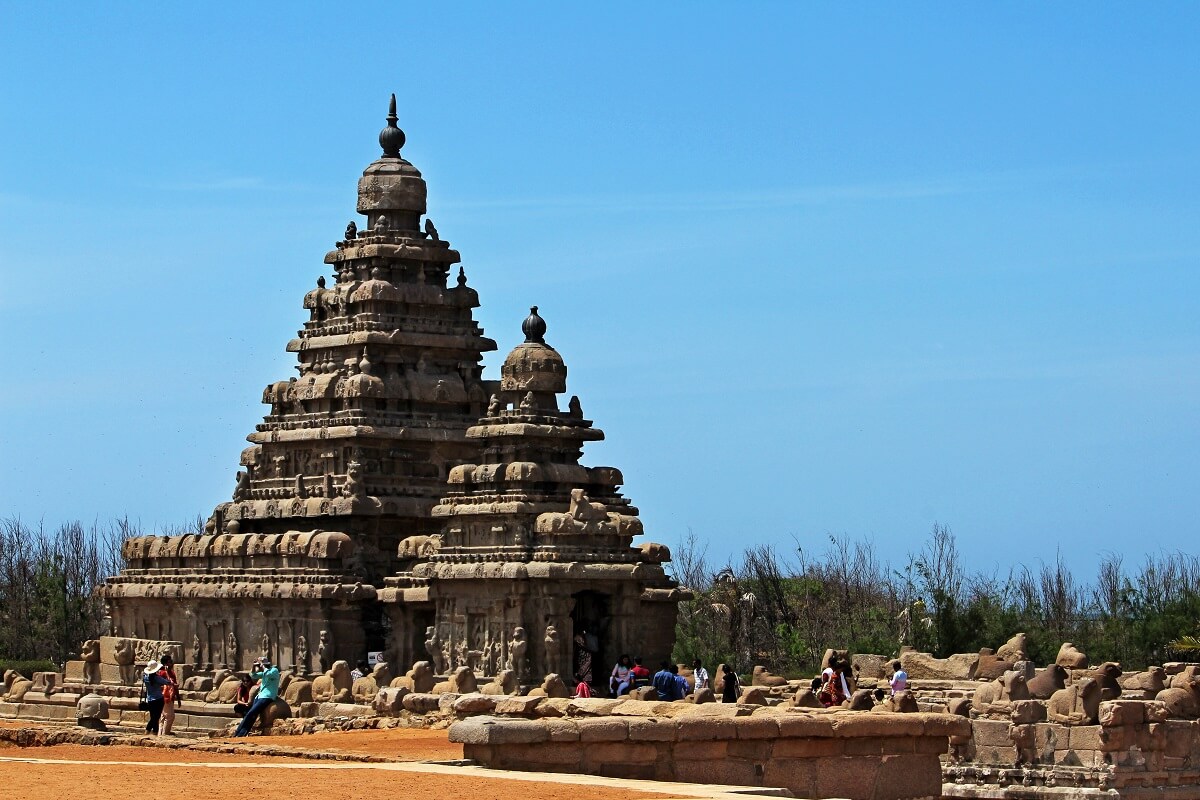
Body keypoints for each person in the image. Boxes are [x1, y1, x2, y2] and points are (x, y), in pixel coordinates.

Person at [234, 656, 280, 737]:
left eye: (262, 664)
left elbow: (268, 674)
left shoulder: (274, 670)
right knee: (252, 715)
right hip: (259, 696)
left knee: (250, 713)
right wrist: (254, 666)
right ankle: (241, 733)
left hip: (267, 696)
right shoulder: (264, 673)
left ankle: (239, 733)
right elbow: (253, 675)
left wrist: (263, 666)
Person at [141, 659, 170, 734]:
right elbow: (167, 682)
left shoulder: (146, 678)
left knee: (153, 717)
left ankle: (154, 732)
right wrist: (167, 673)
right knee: (155, 717)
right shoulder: (157, 678)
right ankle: (147, 731)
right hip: (158, 699)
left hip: (150, 699)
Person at [157, 653, 181, 736]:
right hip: (165, 697)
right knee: (170, 716)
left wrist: (178, 698)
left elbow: (175, 685)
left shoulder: (172, 673)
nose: (172, 663)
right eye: (170, 662)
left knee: (163, 716)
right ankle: (165, 733)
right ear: (166, 664)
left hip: (170, 697)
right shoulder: (162, 673)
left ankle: (160, 733)